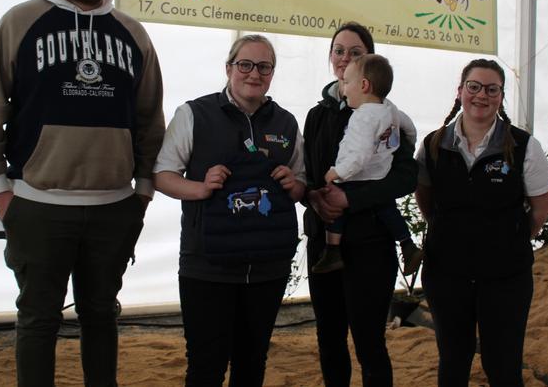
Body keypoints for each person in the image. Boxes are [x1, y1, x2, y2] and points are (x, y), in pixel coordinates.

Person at [0, 0, 165, 387]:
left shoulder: (133, 34)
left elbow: (149, 117)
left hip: (113, 207)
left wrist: (142, 190)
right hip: (38, 204)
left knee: (101, 315)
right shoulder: (20, 21)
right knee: (38, 320)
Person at [153, 34, 305, 387]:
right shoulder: (194, 113)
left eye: (264, 67)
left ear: (272, 73)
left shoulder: (286, 123)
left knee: (252, 363)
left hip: (268, 268)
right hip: (207, 266)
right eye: (245, 65)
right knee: (206, 365)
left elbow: (301, 185)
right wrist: (201, 188)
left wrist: (292, 184)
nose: (254, 74)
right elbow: (162, 175)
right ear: (229, 68)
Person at [415, 58, 548, 387]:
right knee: (453, 360)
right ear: (460, 91)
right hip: (447, 274)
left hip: (505, 278)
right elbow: (426, 199)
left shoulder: (523, 146)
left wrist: (511, 239)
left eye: (492, 89)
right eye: (474, 87)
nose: (482, 95)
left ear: (501, 96)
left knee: (502, 365)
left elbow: (541, 208)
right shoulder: (433, 144)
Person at [303, 22, 418, 386]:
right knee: (329, 337)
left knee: (370, 341)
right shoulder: (316, 115)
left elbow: (405, 177)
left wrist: (349, 198)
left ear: (369, 63)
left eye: (356, 52)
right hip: (324, 240)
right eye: (339, 50)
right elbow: (309, 175)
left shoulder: (388, 116)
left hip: (370, 242)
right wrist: (316, 200)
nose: (345, 58)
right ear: (330, 57)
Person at [311, 53, 423, 276]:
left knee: (336, 209)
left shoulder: (363, 117)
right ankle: (407, 244)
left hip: (357, 179)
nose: (344, 87)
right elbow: (408, 125)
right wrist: (408, 139)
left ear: (363, 85)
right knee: (387, 208)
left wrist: (337, 173)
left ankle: (332, 250)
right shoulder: (388, 108)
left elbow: (358, 155)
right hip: (380, 175)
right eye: (338, 50)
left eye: (347, 82)